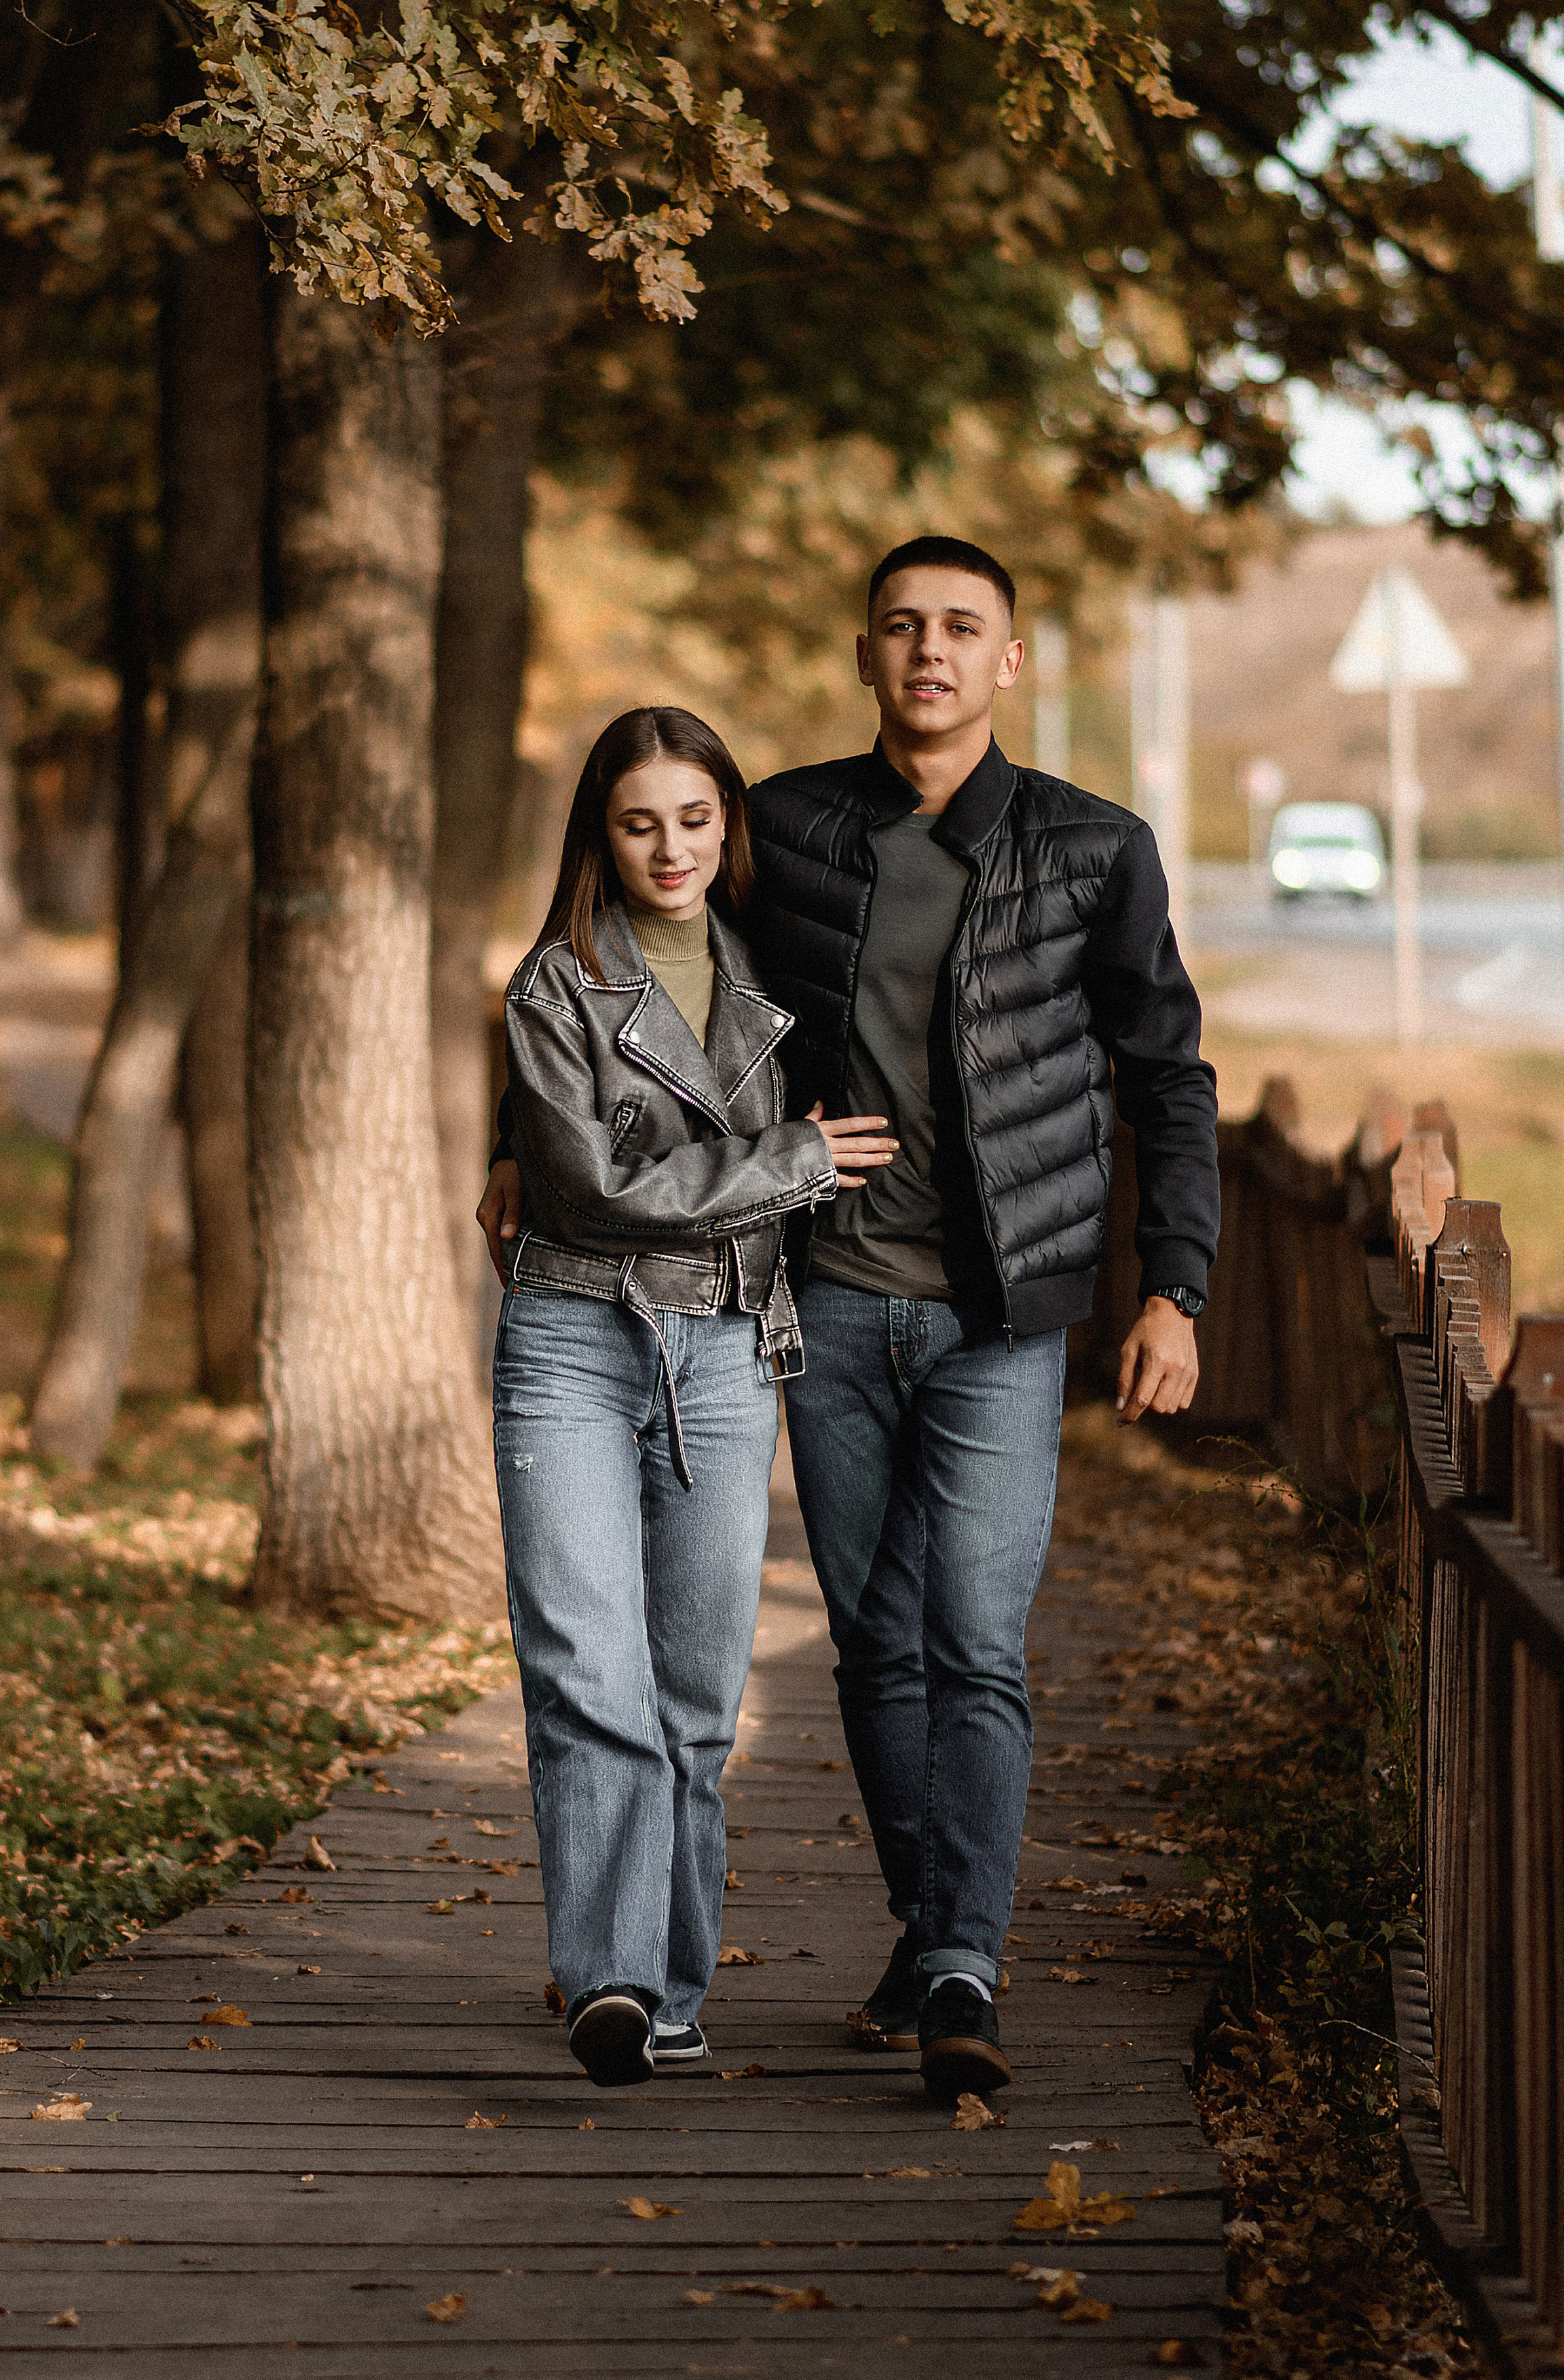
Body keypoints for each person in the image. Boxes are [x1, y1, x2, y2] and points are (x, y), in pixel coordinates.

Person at [482, 544, 1219, 2102]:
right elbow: (634, 968)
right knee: (873, 1647)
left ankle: (961, 1955)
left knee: (976, 1640)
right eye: (902, 628)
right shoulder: (789, 829)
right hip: (813, 1304)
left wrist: (1175, 1284)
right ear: (865, 654)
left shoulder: (1095, 849)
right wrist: (515, 1133)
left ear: (1009, 659)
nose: (930, 652)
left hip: (1002, 1320)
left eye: (961, 629)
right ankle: (908, 1934)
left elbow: (1166, 1074)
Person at [491, 704, 896, 2088]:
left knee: (693, 1692)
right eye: (636, 821)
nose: (668, 846)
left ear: (729, 825)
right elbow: (587, 1190)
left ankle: (666, 1989)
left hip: (727, 1346)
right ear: (598, 837)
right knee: (582, 1666)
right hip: (572, 1338)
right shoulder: (554, 985)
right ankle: (606, 1977)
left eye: (694, 817)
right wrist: (787, 1163)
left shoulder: (777, 963)